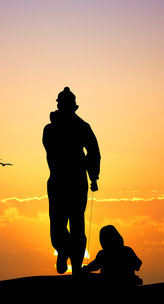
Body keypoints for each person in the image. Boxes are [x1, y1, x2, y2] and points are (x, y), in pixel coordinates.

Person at [43, 87, 101, 275]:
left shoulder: (81, 127)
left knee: (75, 224)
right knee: (59, 225)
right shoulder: (51, 129)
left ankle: (75, 264)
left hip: (74, 182)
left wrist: (93, 175)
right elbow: (53, 152)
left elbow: (94, 152)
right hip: (61, 181)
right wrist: (89, 170)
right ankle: (64, 250)